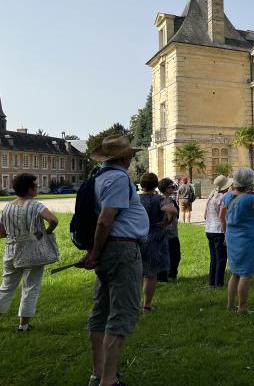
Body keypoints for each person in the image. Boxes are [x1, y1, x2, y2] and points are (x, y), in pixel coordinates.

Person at [80, 135, 150, 386]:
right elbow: (105, 220)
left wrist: (94, 252)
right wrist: (95, 253)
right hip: (121, 251)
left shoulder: (97, 177)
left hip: (108, 249)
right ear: (124, 158)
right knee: (122, 313)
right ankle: (108, 381)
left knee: (101, 311)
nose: (131, 159)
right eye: (130, 156)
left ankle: (97, 373)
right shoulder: (119, 178)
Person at [0, 173, 59, 331]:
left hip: (11, 251)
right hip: (32, 253)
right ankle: (23, 325)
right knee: (30, 287)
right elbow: (53, 220)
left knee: (6, 287)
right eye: (36, 185)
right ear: (29, 188)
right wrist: (46, 232)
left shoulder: (7, 207)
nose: (37, 187)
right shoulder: (36, 205)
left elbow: (1, 233)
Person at [220, 168, 254, 314]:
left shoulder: (228, 196)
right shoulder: (250, 199)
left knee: (235, 273)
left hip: (231, 236)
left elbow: (222, 216)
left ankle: (230, 305)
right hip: (246, 238)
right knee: (245, 274)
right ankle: (242, 307)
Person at [138, 173, 176, 311]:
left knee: (136, 272)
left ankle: (133, 303)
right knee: (151, 273)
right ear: (155, 184)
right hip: (154, 237)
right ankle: (147, 304)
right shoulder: (159, 199)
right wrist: (168, 222)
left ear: (142, 184)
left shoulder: (134, 199)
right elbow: (172, 210)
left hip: (136, 237)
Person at [204, 175, 232, 287]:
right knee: (221, 258)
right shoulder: (223, 197)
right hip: (218, 231)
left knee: (214, 257)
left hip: (209, 229)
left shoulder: (211, 197)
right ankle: (218, 282)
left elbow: (205, 215)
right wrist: (225, 233)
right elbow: (222, 217)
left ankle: (212, 281)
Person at [156, 178, 181, 282]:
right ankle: (164, 276)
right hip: (165, 233)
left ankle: (172, 274)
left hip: (173, 233)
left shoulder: (172, 200)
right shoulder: (159, 201)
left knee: (176, 255)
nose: (174, 188)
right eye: (171, 186)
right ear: (166, 189)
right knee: (165, 255)